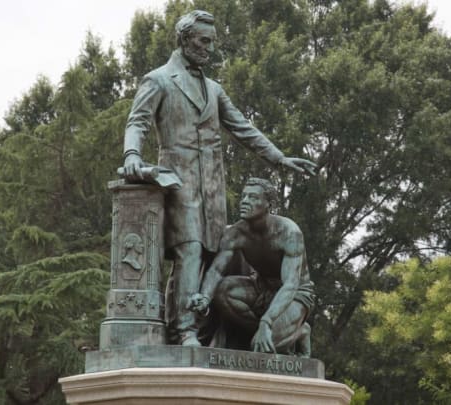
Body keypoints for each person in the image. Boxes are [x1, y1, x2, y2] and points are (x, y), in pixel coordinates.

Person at [122, 10, 316, 346]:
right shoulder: (160, 79)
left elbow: (243, 127)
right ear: (185, 40)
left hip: (213, 185)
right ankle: (183, 329)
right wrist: (132, 156)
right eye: (204, 40)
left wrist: (279, 158)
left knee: (215, 256)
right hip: (177, 181)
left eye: (212, 41)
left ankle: (206, 331)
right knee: (190, 250)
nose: (209, 48)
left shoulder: (214, 89)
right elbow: (137, 121)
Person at [188, 178, 314, 356]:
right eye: (244, 196)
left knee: (262, 349)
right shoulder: (235, 233)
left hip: (294, 295)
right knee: (223, 291)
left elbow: (290, 284)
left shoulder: (289, 233)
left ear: (268, 204)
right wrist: (205, 298)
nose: (245, 201)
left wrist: (267, 322)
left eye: (253, 197)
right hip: (261, 288)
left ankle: (300, 331)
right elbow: (217, 271)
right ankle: (265, 331)